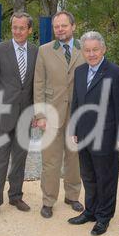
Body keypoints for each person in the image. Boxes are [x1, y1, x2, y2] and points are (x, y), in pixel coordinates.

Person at [68, 31, 119, 236]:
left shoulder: (115, 72)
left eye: (95, 49)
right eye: (87, 50)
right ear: (82, 51)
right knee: (88, 176)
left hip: (106, 135)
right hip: (84, 134)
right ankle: (91, 211)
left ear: (103, 50)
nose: (91, 54)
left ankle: (104, 217)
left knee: (106, 178)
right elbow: (76, 101)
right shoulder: (80, 71)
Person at [0, 12, 38, 221]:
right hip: (0, 116)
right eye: (15, 27)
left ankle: (15, 196)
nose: (18, 31)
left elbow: (34, 86)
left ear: (30, 30)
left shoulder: (35, 52)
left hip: (25, 116)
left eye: (22, 28)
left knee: (19, 160)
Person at [33, 11, 85, 218]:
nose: (60, 30)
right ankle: (48, 200)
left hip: (77, 114)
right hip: (51, 114)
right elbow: (38, 84)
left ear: (73, 26)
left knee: (74, 159)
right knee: (50, 161)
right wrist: (40, 116)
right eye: (57, 27)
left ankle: (72, 196)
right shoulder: (44, 51)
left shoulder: (86, 48)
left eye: (64, 26)